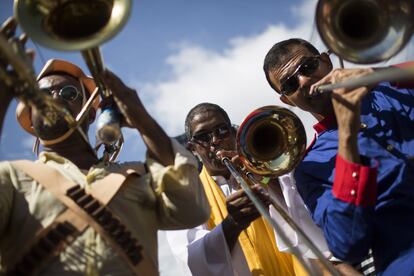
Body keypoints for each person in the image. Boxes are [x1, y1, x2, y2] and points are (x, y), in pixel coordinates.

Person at [0, 20, 210, 275]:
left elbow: (192, 210)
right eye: (43, 95)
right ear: (30, 121)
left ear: (90, 113)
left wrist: (142, 118)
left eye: (68, 93)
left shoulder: (138, 175)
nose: (55, 98)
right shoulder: (13, 176)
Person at [263, 38, 414, 274]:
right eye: (291, 84)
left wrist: (376, 74)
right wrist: (347, 136)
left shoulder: (391, 90)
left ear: (325, 61)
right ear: (287, 100)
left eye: (307, 67)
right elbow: (347, 243)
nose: (303, 81)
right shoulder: (310, 168)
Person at [167, 102, 314, 276]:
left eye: (221, 130)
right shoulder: (186, 198)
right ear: (193, 148)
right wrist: (232, 225)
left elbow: (303, 209)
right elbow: (190, 258)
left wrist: (263, 177)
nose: (215, 141)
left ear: (232, 132)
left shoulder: (264, 169)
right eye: (203, 137)